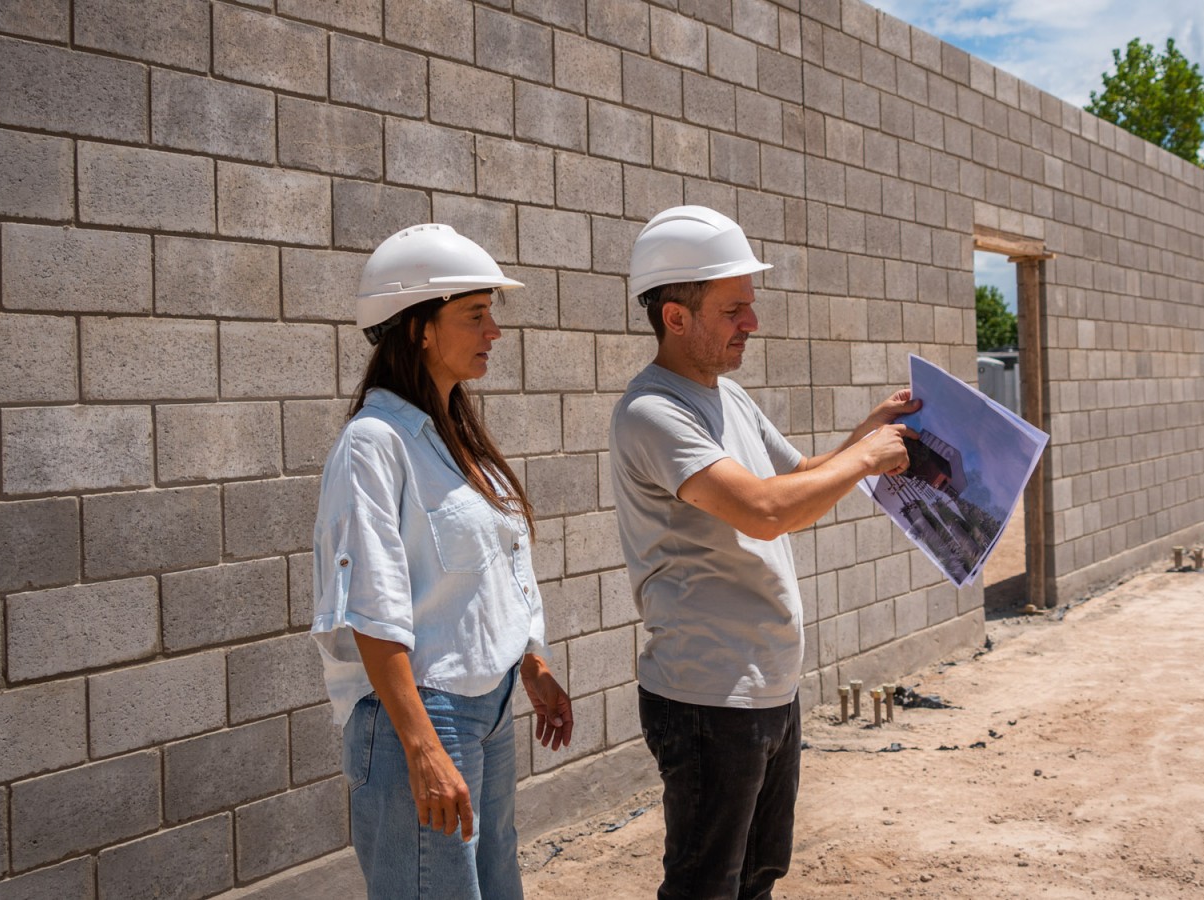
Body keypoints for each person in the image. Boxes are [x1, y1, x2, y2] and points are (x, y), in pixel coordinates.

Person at [608, 206, 919, 899]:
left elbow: (795, 479)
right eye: (733, 309)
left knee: (758, 877)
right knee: (704, 888)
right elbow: (765, 511)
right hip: (707, 694)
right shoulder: (654, 412)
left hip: (764, 684)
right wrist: (867, 459)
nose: (751, 322)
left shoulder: (729, 397)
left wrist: (866, 432)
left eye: (750, 305)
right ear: (675, 317)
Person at [310, 224, 574, 900]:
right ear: (419, 328)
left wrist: (532, 661)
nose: (494, 331)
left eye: (492, 314)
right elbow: (370, 607)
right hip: (421, 718)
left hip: (485, 708)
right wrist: (422, 748)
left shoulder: (457, 438)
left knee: (493, 888)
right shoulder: (374, 445)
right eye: (475, 314)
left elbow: (496, 565)